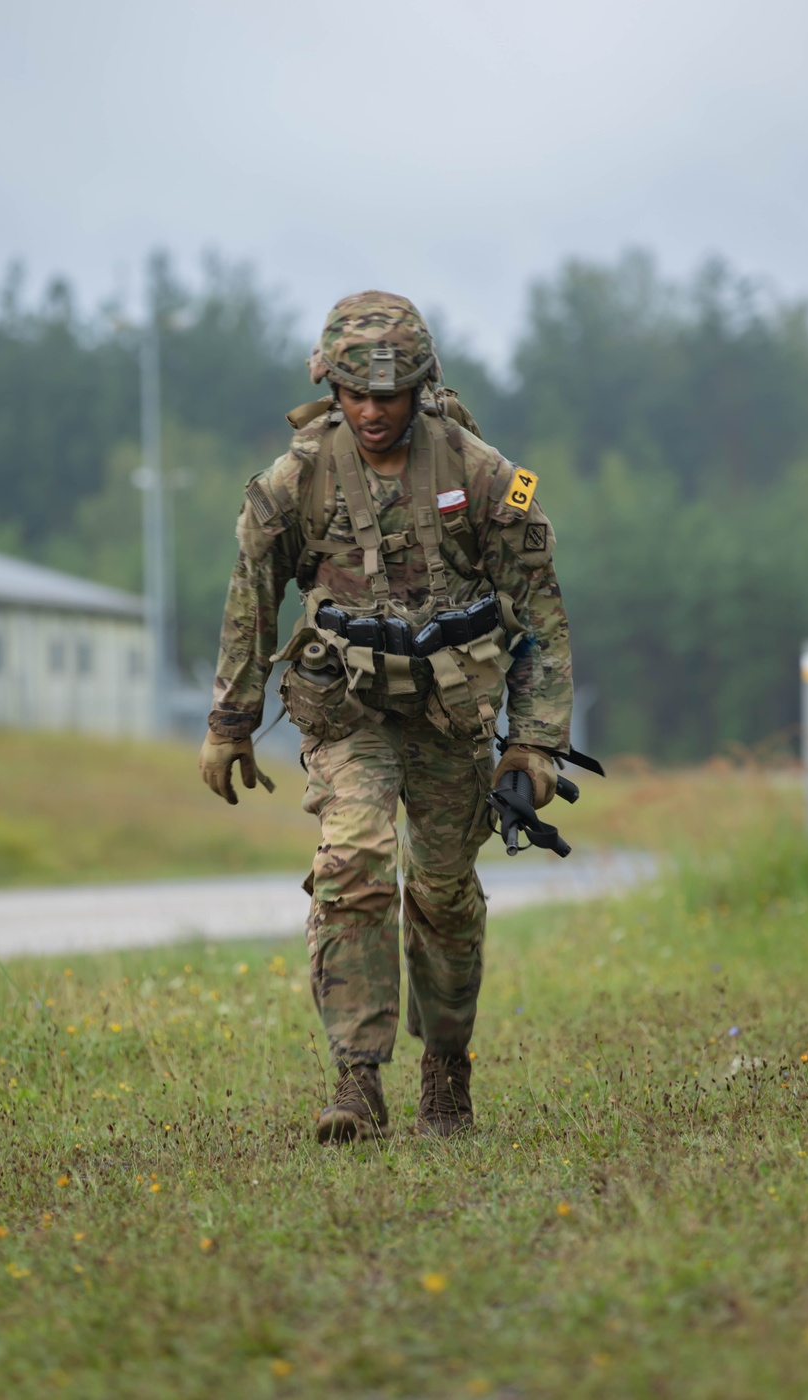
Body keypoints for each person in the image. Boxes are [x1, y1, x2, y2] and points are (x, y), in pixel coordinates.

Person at [198, 291, 573, 1142]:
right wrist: (230, 722)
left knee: (443, 894)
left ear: (422, 384)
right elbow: (250, 599)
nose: (372, 411)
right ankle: (357, 1082)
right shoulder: (296, 480)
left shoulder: (480, 473)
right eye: (356, 394)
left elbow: (538, 612)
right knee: (354, 865)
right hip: (349, 716)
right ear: (329, 387)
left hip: (451, 719)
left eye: (391, 393)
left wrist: (537, 742)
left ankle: (446, 1071)